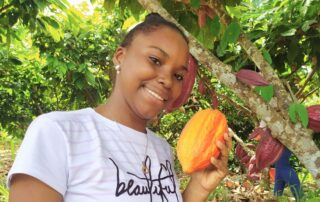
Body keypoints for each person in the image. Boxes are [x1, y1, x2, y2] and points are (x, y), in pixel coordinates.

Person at [7, 13, 232, 202]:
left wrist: (199, 188)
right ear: (120, 57)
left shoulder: (161, 149)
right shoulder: (58, 132)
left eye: (178, 75)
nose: (167, 80)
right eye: (155, 60)